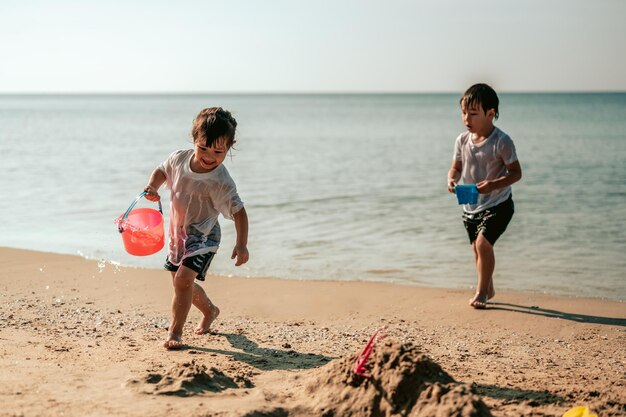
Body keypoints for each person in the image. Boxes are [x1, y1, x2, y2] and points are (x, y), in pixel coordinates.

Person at [143, 107, 249, 349]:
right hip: (178, 234)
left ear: (229, 147)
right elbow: (162, 170)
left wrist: (241, 243)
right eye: (203, 148)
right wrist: (152, 187)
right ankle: (210, 310)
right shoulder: (179, 159)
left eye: (218, 151)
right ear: (194, 140)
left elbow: (239, 211)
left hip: (204, 237)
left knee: (182, 281)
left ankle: (175, 333)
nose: (209, 156)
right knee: (181, 283)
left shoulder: (220, 180)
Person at [447, 83, 522, 309]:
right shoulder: (462, 141)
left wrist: (493, 185)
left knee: (483, 244)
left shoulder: (502, 141)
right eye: (463, 113)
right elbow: (456, 167)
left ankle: (481, 292)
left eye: (473, 114)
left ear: (490, 114)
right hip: (471, 205)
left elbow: (516, 173)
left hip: (499, 204)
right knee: (475, 249)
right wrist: (451, 179)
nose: (466, 119)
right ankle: (488, 286)